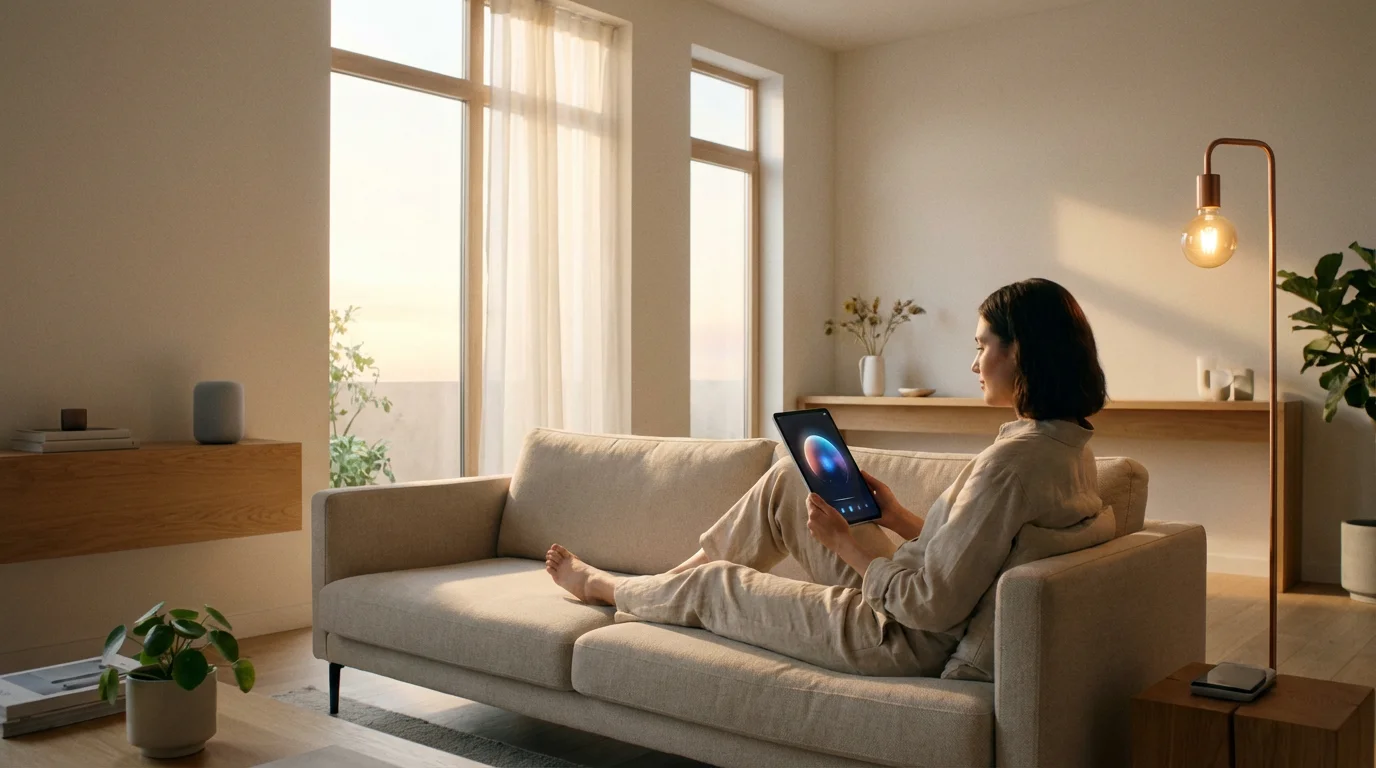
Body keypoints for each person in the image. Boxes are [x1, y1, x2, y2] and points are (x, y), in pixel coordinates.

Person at [545, 278, 1111, 677]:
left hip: (894, 634)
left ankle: (606, 587)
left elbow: (934, 606)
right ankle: (668, 585)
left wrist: (848, 544)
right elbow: (971, 561)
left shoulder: (1011, 467)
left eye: (982, 345)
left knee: (717, 584)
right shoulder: (1065, 449)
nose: (973, 363)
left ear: (1024, 355)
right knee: (794, 480)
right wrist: (897, 519)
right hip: (905, 598)